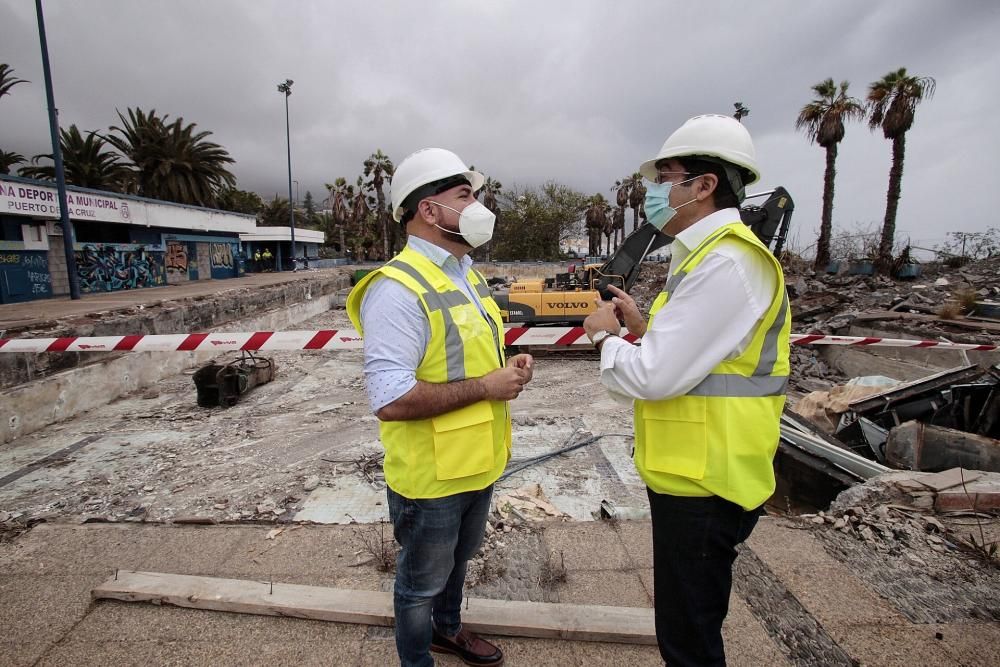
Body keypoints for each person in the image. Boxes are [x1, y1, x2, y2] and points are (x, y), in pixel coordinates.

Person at [583, 114, 791, 666]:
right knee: (688, 622)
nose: (655, 192)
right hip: (697, 469)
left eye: (667, 177)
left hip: (706, 480)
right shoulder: (704, 255)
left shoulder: (726, 261)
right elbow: (704, 358)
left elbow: (651, 377)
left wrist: (605, 336)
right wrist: (643, 328)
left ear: (703, 186)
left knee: (689, 638)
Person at [347, 147, 533, 667]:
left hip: (477, 461)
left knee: (456, 564)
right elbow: (389, 400)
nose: (478, 206)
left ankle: (447, 631)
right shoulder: (397, 290)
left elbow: (466, 358)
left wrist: (508, 368)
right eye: (465, 195)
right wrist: (487, 386)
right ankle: (417, 659)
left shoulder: (465, 273)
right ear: (430, 211)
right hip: (431, 478)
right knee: (419, 583)